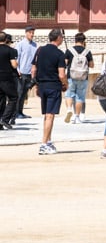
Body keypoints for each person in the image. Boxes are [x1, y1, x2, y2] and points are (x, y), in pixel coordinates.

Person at [31, 27, 68, 155]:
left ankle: (48, 140)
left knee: (47, 115)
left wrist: (36, 84)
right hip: (53, 86)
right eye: (62, 37)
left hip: (42, 85)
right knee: (50, 115)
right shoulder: (59, 54)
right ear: (58, 38)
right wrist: (65, 84)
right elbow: (62, 74)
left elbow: (33, 69)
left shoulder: (40, 50)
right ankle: (43, 144)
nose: (62, 39)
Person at [63, 32, 93, 124]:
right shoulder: (87, 52)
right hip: (83, 77)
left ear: (75, 40)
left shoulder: (69, 50)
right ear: (84, 41)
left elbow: (65, 63)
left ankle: (69, 109)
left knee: (69, 95)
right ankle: (77, 117)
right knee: (80, 97)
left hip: (71, 76)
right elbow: (91, 65)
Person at [15, 26, 37, 120]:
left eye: (33, 33)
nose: (32, 35)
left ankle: (20, 112)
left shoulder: (35, 45)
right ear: (26, 33)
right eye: (30, 33)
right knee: (19, 93)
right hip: (21, 72)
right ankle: (15, 113)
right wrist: (17, 70)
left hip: (30, 72)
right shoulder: (20, 44)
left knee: (24, 94)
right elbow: (16, 58)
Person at [0, 32, 18, 129]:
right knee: (13, 97)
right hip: (6, 77)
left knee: (1, 100)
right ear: (6, 39)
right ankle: (5, 119)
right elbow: (14, 65)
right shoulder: (11, 50)